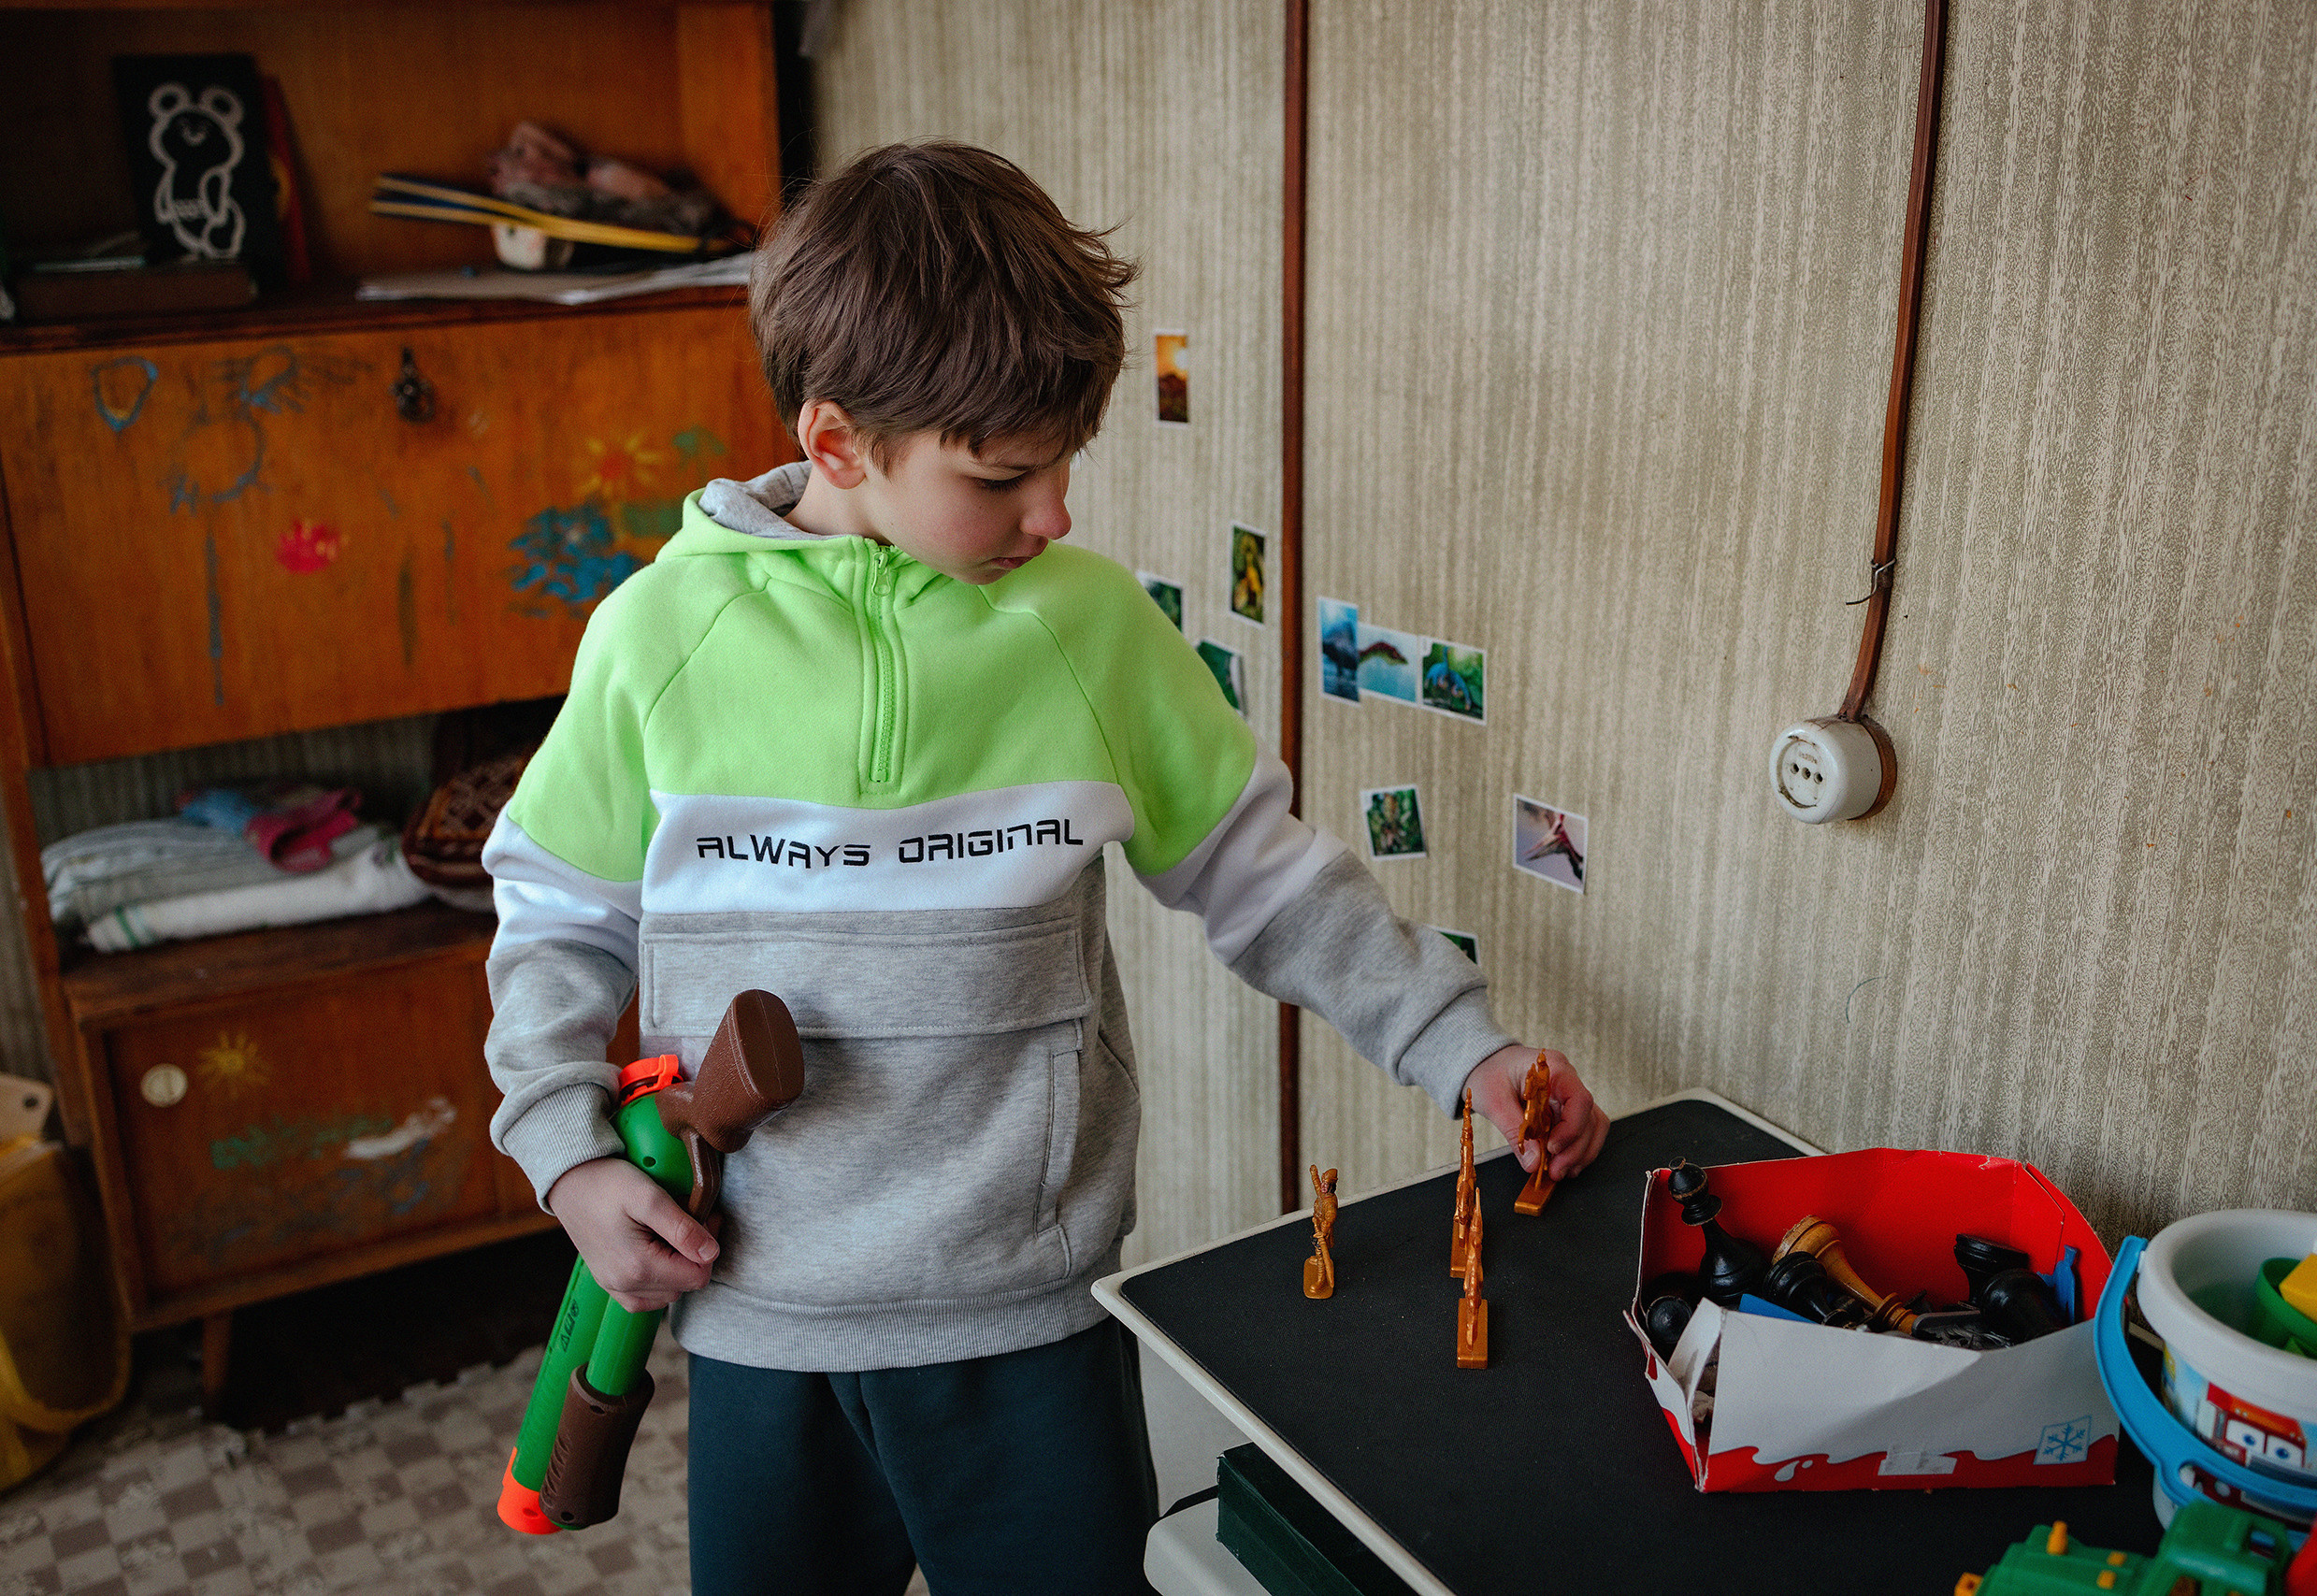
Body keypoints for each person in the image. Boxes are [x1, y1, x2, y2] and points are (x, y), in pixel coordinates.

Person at [481, 140, 1608, 1596]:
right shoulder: (655, 640)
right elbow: (558, 917)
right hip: (762, 1324)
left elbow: (1269, 880)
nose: (1056, 513)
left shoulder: (1090, 627)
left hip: (1032, 1322)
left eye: (1065, 463)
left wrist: (1467, 1051)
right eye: (1004, 476)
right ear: (837, 446)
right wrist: (564, 1154)